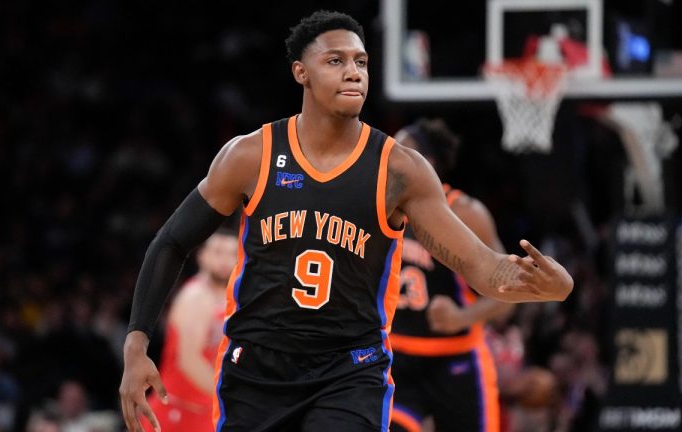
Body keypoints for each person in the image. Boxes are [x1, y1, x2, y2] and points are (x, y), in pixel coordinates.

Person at [119, 10, 573, 432]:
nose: (353, 71)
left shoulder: (399, 170)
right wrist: (136, 346)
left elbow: (483, 267)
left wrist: (550, 287)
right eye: (335, 60)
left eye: (361, 61)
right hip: (256, 368)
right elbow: (171, 243)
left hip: (349, 370)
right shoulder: (250, 155)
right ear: (301, 72)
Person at [388, 118, 515, 432]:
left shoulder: (466, 212)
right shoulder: (374, 208)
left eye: (401, 150)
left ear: (425, 163)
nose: (389, 156)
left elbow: (509, 291)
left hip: (456, 357)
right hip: (395, 357)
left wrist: (462, 316)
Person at [139, 228, 237, 432]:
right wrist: (231, 396)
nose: (225, 260)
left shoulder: (229, 298)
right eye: (218, 252)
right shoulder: (196, 296)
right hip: (176, 411)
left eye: (232, 254)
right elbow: (189, 360)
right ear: (202, 256)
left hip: (203, 409)